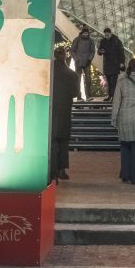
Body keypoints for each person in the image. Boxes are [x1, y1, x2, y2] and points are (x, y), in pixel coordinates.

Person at [50, 48, 80, 182]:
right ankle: (61, 169)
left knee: (52, 141)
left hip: (50, 111)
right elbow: (75, 94)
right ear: (65, 56)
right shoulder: (72, 75)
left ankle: (52, 171)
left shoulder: (48, 72)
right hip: (65, 111)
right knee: (63, 141)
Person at [98, 27, 125, 101]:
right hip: (107, 64)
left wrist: (122, 62)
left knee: (114, 82)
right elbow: (99, 51)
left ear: (111, 33)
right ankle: (110, 96)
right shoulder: (103, 41)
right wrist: (100, 51)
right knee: (109, 81)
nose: (106, 37)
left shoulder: (116, 41)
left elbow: (121, 52)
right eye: (105, 35)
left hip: (115, 64)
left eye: (108, 35)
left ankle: (114, 97)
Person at [70, 27, 96, 100]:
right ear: (82, 33)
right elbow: (72, 50)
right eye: (84, 33)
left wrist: (89, 59)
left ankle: (88, 96)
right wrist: (76, 59)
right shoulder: (77, 40)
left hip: (87, 62)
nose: (85, 34)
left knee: (88, 79)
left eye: (87, 33)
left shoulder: (91, 41)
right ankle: (78, 96)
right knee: (78, 79)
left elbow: (92, 51)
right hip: (78, 62)